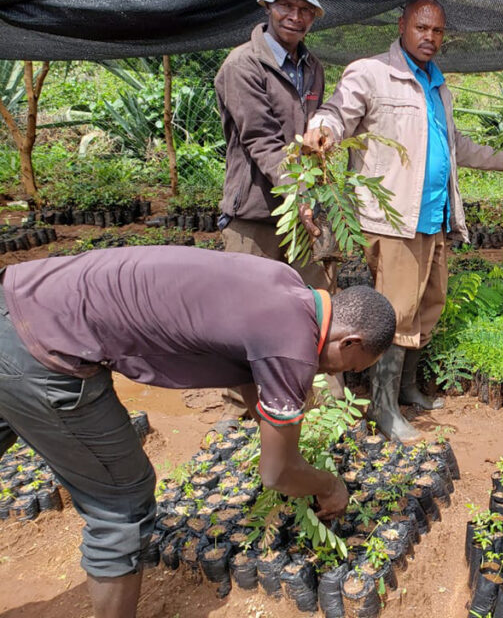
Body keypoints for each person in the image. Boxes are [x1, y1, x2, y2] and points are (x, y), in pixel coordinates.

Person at [0, 246, 396, 618]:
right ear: (350, 342)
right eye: (351, 367)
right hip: (45, 348)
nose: (337, 375)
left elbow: (244, 365)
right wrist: (327, 486)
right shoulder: (292, 344)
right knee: (123, 503)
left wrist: (275, 425)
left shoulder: (284, 282)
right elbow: (275, 474)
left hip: (18, 294)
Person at [302, 0, 503, 443]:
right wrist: (322, 129)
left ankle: (406, 391)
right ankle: (384, 412)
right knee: (395, 315)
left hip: (435, 218)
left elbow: (455, 145)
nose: (430, 37)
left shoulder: (439, 85)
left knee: (427, 308)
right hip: (393, 221)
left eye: (438, 31)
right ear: (402, 25)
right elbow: (338, 112)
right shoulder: (371, 73)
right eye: (422, 28)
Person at [215, 0, 330, 290]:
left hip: (305, 213)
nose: (295, 16)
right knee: (251, 311)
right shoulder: (243, 65)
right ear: (268, 5)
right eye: (286, 5)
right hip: (255, 215)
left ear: (314, 15)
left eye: (306, 9)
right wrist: (303, 193)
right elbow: (262, 141)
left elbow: (314, 134)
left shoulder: (313, 68)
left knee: (313, 304)